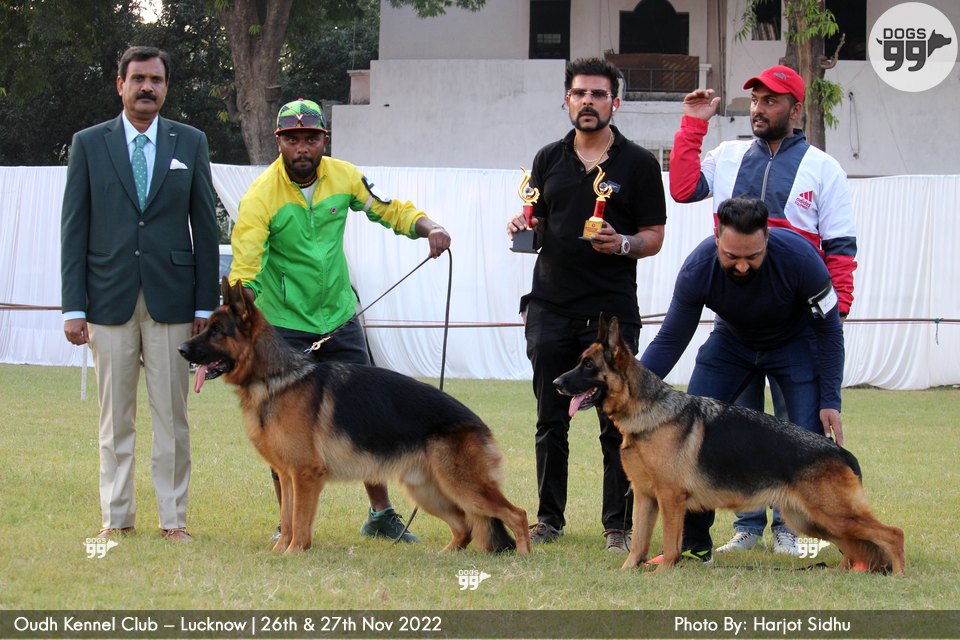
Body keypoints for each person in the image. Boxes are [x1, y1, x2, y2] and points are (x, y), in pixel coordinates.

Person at [229, 98, 451, 543]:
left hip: (339, 315)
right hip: (285, 324)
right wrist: (240, 304)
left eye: (311, 138)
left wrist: (429, 227)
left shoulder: (344, 176)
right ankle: (287, 525)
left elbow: (388, 208)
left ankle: (381, 514)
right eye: (292, 139)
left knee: (367, 414)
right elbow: (247, 265)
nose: (302, 148)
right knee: (283, 426)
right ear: (279, 142)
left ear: (324, 140)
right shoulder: (260, 196)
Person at [669, 64, 858, 555]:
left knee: (799, 433)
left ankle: (789, 529)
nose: (759, 108)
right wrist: (692, 125)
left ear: (795, 110)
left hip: (796, 327)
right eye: (755, 100)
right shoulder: (727, 154)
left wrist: (835, 312)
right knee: (728, 430)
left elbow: (840, 247)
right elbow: (683, 189)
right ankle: (746, 528)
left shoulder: (824, 167)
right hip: (735, 327)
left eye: (771, 101)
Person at [506, 58, 666, 552]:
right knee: (550, 419)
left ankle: (618, 526)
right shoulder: (547, 158)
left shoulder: (638, 163)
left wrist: (623, 243)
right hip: (550, 305)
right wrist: (523, 224)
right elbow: (540, 219)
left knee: (616, 422)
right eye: (580, 93)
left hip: (610, 315)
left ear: (615, 103)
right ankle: (549, 519)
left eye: (598, 94)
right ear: (567, 100)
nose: (588, 102)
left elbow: (654, 236)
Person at [61, 46, 219, 543]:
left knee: (172, 417)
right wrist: (73, 307)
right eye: (138, 79)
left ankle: (174, 520)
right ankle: (116, 518)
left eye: (156, 80)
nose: (147, 87)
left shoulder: (190, 142)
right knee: (115, 419)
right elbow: (73, 229)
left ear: (166, 87)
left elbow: (206, 228)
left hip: (174, 302)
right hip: (107, 300)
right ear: (120, 85)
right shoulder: (88, 144)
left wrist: (204, 306)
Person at [640, 197, 845, 565]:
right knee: (691, 430)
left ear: (767, 238)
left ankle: (848, 542)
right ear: (717, 236)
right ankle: (694, 546)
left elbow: (830, 332)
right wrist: (631, 387)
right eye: (732, 256)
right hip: (731, 344)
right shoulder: (699, 268)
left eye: (753, 256)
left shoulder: (801, 260)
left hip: (794, 345)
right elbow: (672, 338)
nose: (742, 266)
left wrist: (830, 398)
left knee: (810, 441)